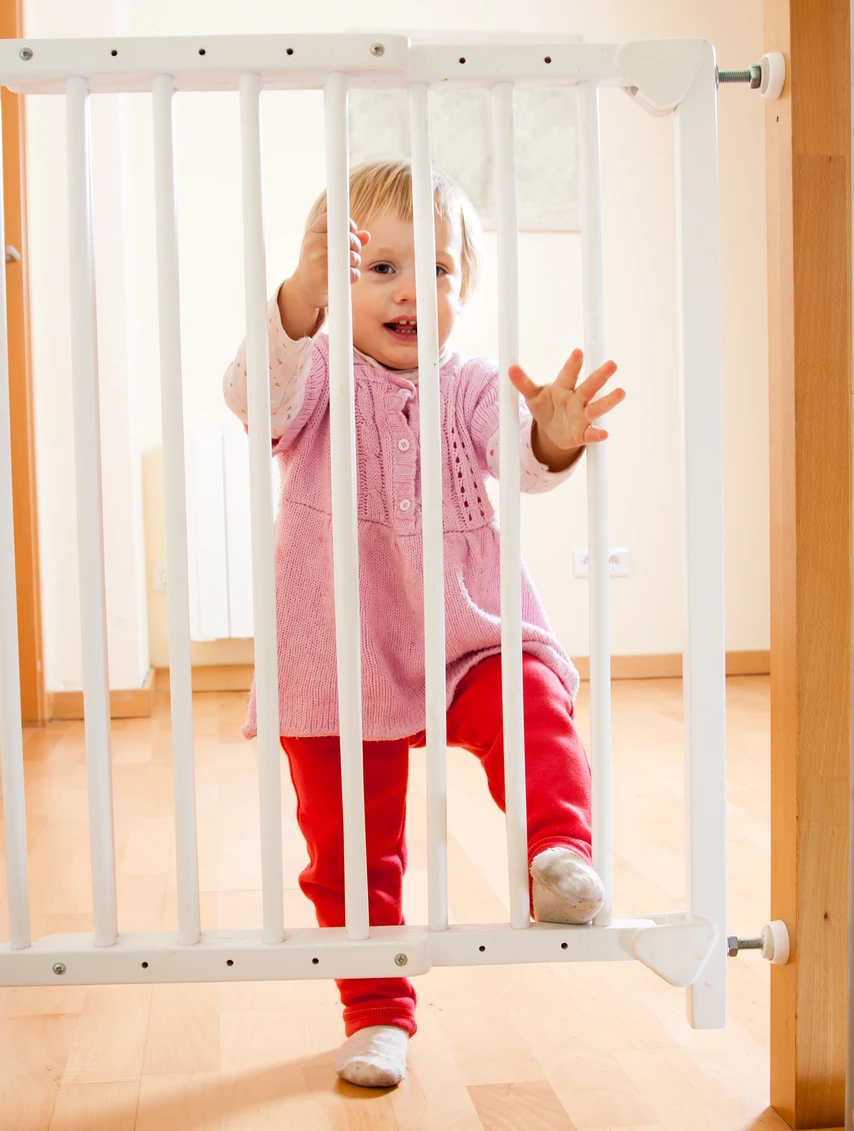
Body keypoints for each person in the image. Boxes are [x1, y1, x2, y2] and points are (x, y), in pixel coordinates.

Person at [223, 160, 626, 1089]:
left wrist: (554, 432)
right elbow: (256, 398)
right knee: (349, 846)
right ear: (338, 283)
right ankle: (376, 1011)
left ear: (464, 287)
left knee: (533, 698)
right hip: (338, 649)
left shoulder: (472, 381)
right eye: (379, 269)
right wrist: (296, 300)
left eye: (435, 270)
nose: (410, 290)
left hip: (464, 628)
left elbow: (518, 457)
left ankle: (557, 852)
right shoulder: (316, 369)